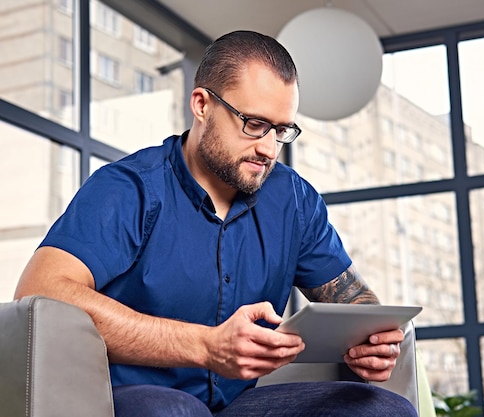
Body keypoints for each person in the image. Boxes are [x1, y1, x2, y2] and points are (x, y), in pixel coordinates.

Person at [14, 30, 417, 417]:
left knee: (386, 409)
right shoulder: (130, 188)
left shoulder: (293, 201)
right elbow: (41, 290)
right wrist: (205, 346)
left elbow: (358, 301)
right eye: (254, 124)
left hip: (235, 405)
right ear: (202, 104)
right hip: (133, 401)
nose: (267, 148)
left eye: (281, 130)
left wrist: (374, 341)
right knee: (175, 410)